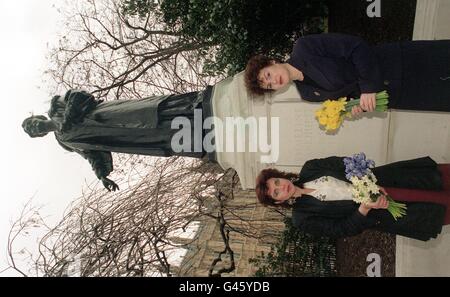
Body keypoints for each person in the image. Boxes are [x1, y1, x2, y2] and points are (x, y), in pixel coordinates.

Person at [22, 88, 215, 191]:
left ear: (37, 117)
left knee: (151, 113)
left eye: (31, 123)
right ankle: (196, 136)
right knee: (157, 135)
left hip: (114, 115)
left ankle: (193, 110)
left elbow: (80, 96)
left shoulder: (57, 107)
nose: (34, 127)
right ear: (39, 135)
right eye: (32, 130)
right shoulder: (65, 141)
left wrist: (68, 118)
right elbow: (91, 153)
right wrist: (102, 175)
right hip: (121, 137)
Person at [245, 33, 450, 115]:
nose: (273, 82)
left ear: (271, 62)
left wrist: (368, 87)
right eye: (268, 86)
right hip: (399, 94)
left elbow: (356, 47)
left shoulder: (304, 48)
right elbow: (347, 96)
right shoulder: (307, 94)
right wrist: (355, 106)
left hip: (400, 63)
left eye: (268, 75)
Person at [255, 156, 450, 241]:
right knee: (437, 206)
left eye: (277, 182)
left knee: (436, 181)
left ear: (280, 176)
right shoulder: (302, 218)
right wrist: (365, 207)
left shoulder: (310, 167)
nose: (282, 187)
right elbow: (342, 229)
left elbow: (345, 162)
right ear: (278, 201)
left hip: (388, 180)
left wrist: (367, 181)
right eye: (276, 192)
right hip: (383, 210)